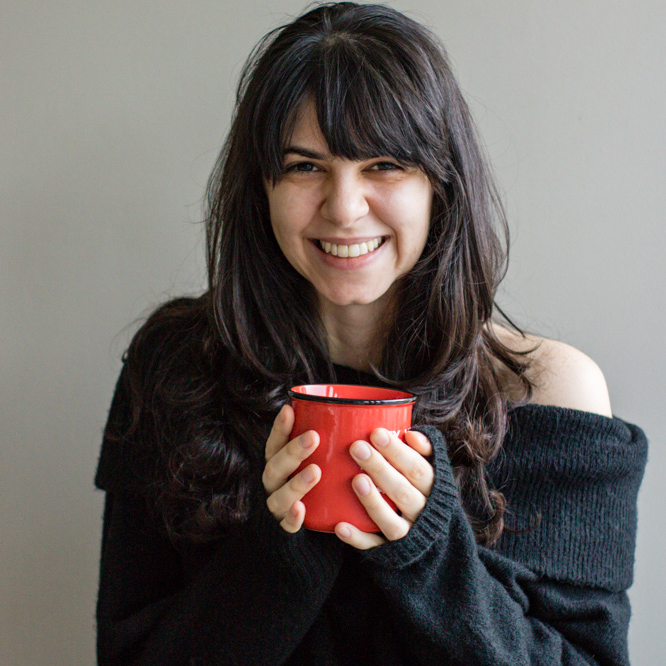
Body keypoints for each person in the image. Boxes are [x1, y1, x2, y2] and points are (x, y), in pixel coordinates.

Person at [94, 3, 647, 664]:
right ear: (261, 186)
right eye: (305, 166)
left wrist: (429, 551)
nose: (345, 208)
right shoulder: (178, 366)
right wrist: (279, 552)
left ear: (440, 183)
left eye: (384, 165)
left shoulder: (547, 392)